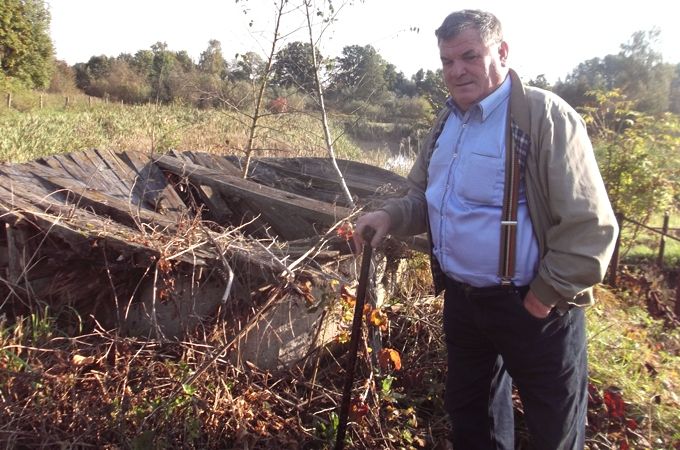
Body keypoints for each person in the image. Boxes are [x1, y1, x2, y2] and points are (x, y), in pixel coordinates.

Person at [353, 9, 618, 450]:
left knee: (553, 430)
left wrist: (541, 299)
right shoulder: (447, 121)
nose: (457, 71)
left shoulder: (543, 116)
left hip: (534, 308)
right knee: (473, 422)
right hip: (464, 303)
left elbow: (590, 227)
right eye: (447, 61)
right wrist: (389, 217)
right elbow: (424, 198)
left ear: (503, 52)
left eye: (470, 56)